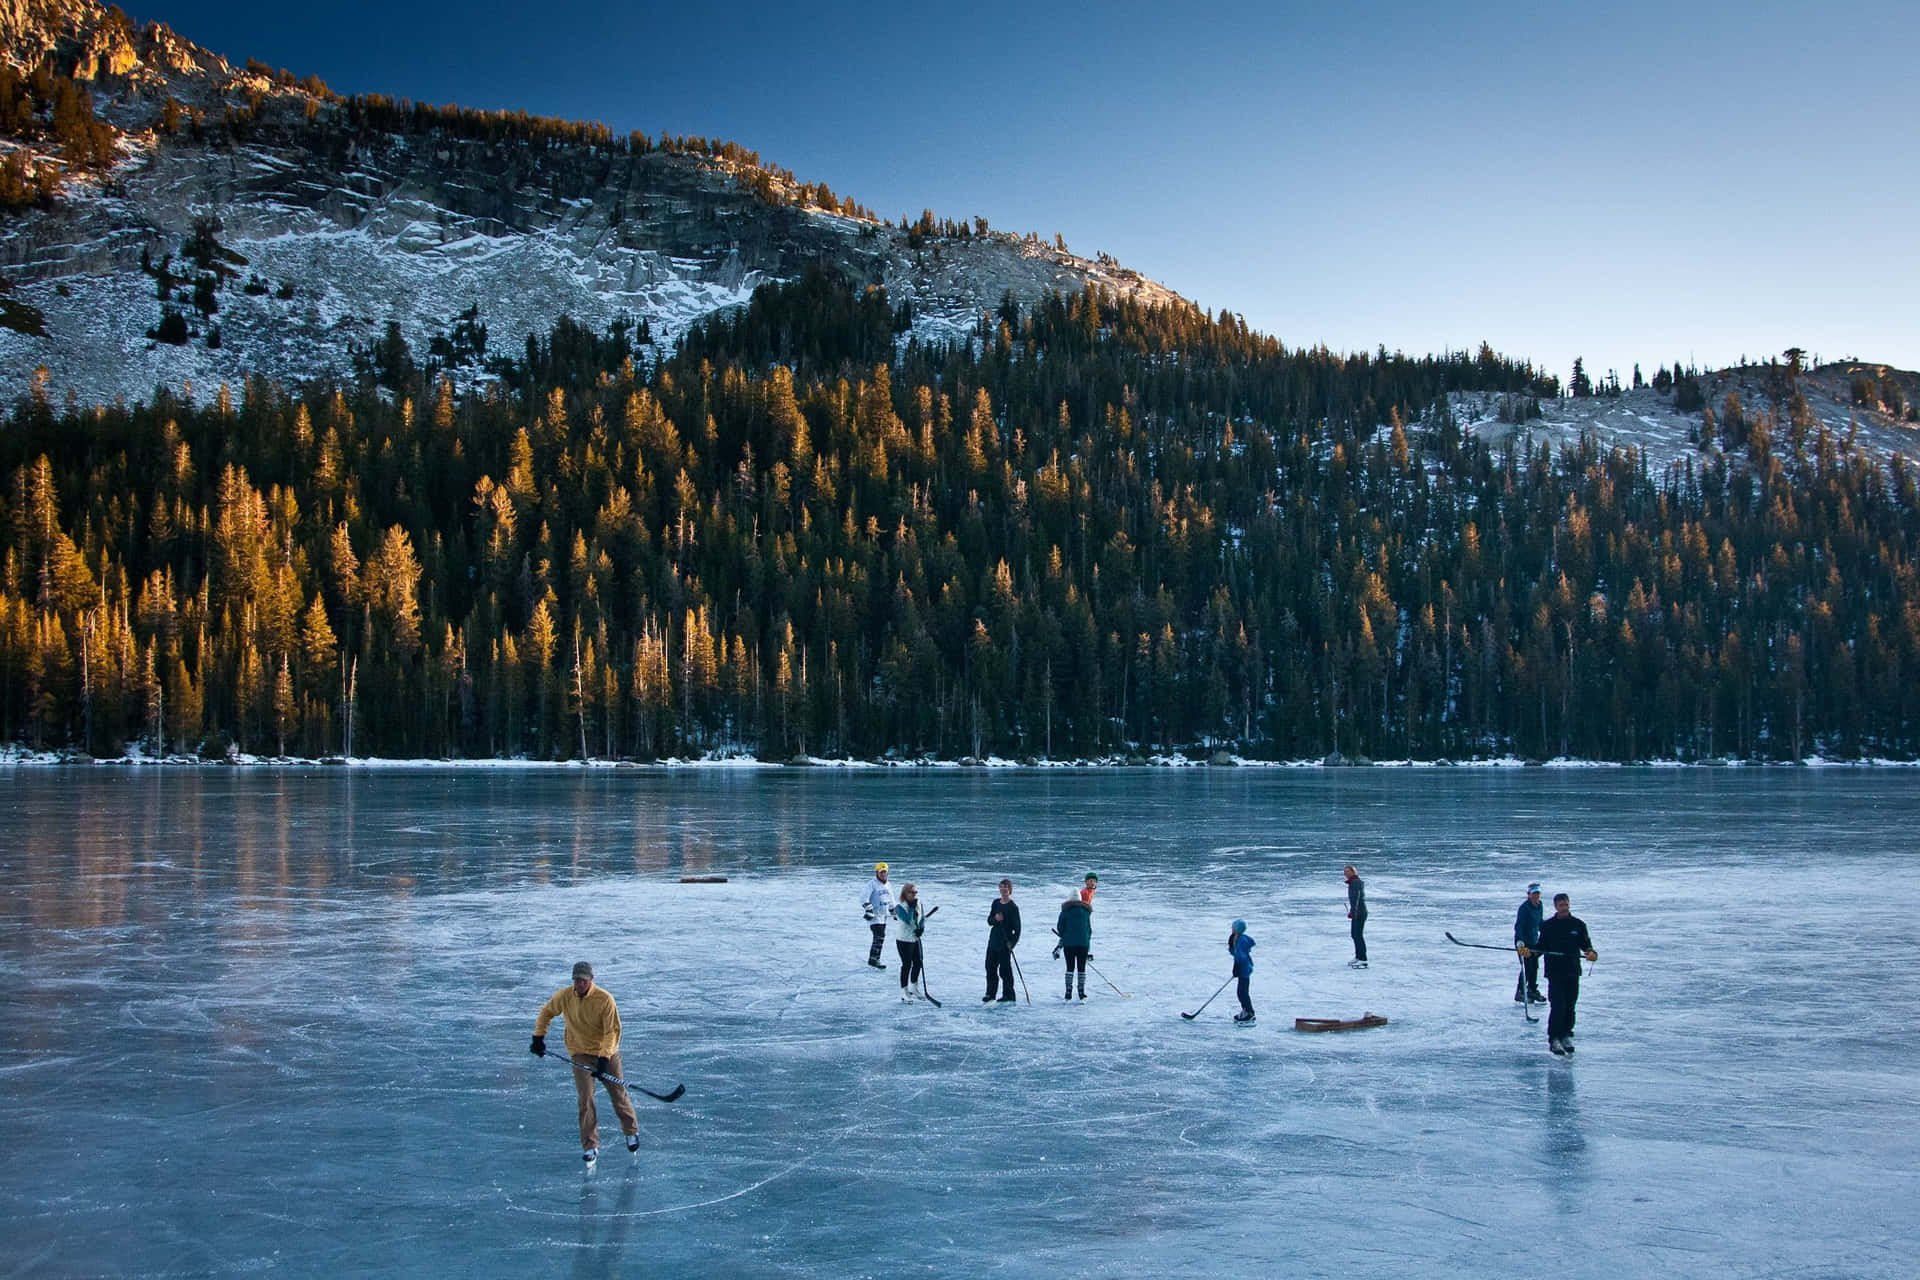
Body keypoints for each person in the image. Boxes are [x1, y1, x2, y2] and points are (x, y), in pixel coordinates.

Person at [529, 961, 638, 1164]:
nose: (579, 984)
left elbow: (611, 1032)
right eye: (576, 980)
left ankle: (631, 1131)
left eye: (583, 980)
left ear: (591, 980)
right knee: (585, 1098)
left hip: (607, 1054)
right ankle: (590, 1145)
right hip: (580, 1053)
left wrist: (604, 1058)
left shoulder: (604, 999)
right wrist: (538, 1037)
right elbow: (546, 1012)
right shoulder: (565, 996)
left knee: (618, 1094)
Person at [1518, 892, 1598, 1055]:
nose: (1564, 908)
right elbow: (1540, 948)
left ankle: (1566, 1034)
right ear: (1555, 906)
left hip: (1573, 971)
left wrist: (1591, 953)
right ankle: (1554, 1038)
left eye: (1566, 905)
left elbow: (1586, 945)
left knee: (1570, 1005)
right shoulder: (1548, 926)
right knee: (1558, 1006)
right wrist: (1530, 953)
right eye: (1561, 905)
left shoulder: (1578, 925)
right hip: (1555, 973)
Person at [984, 879, 1021, 1003]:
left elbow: (1018, 929)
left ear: (1010, 889)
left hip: (1005, 943)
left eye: (1005, 887)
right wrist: (995, 918)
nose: (1003, 889)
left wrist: (1012, 943)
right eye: (1001, 887)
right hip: (994, 941)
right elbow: (989, 921)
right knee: (990, 968)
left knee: (1005, 971)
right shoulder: (995, 903)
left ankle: (1009, 995)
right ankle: (990, 994)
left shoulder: (1013, 907)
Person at [1056, 888, 1092, 1000]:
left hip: (1069, 945)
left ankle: (1068, 992)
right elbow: (1089, 930)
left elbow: (1060, 928)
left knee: (1070, 967)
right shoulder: (1086, 912)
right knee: (1082, 968)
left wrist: (1064, 936)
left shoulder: (1065, 912)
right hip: (1083, 944)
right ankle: (1081, 992)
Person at [892, 882, 926, 1000]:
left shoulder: (919, 903)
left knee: (918, 962)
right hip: (904, 939)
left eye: (916, 892)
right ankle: (904, 990)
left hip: (915, 938)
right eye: (912, 892)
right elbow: (907, 920)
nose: (915, 895)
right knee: (907, 964)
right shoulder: (899, 907)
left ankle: (913, 986)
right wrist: (912, 908)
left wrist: (921, 929)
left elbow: (922, 918)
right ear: (905, 894)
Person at [1513, 883, 1546, 1004]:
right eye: (1534, 894)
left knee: (1534, 966)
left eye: (1538, 893)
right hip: (1523, 943)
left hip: (1534, 942)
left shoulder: (1539, 905)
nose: (1536, 896)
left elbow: (1540, 922)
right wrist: (1520, 942)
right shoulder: (1524, 908)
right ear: (1529, 895)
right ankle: (1520, 992)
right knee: (1527, 967)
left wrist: (1548, 931)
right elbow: (1519, 926)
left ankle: (1532, 990)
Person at [861, 862, 893, 969]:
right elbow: (863, 898)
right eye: (881, 872)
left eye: (885, 872)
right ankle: (874, 960)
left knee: (880, 937)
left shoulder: (888, 884)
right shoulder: (872, 884)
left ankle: (873, 959)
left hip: (883, 916)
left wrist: (893, 911)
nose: (883, 874)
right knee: (879, 936)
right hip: (875, 916)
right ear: (877, 873)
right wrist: (868, 908)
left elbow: (891, 900)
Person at [1229, 919, 1256, 1024]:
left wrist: (1237, 968)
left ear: (1237, 929)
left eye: (1233, 927)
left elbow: (1241, 956)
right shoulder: (1237, 938)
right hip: (1244, 968)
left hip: (1244, 969)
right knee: (1241, 992)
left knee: (1242, 992)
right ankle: (1246, 1011)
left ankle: (1249, 1013)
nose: (1231, 929)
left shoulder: (1241, 940)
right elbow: (1235, 954)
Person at [1344, 865, 1368, 968]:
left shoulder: (1356, 882)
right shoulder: (1353, 882)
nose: (1345, 873)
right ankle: (1358, 957)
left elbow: (1357, 899)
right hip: (1357, 912)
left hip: (1359, 913)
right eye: (1345, 872)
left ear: (1353, 872)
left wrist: (1354, 912)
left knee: (1358, 935)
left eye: (1348, 871)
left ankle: (1363, 959)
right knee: (1355, 935)